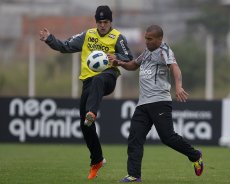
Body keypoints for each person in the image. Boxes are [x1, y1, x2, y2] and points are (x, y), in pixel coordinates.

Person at [39, 5, 133, 180]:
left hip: (108, 78)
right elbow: (65, 46)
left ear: (111, 22)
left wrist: (117, 59)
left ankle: (92, 112)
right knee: (85, 125)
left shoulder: (118, 38)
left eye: (105, 22)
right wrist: (49, 39)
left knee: (98, 81)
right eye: (99, 22)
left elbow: (129, 58)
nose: (102, 25)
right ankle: (97, 160)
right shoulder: (87, 35)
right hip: (88, 84)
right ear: (96, 22)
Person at [109, 25, 204, 182]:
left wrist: (179, 86)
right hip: (143, 104)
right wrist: (119, 63)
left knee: (168, 137)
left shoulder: (164, 51)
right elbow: (133, 65)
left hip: (160, 102)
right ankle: (134, 175)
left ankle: (195, 155)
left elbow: (175, 67)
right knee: (134, 137)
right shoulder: (146, 52)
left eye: (149, 39)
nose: (146, 41)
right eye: (145, 38)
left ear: (160, 39)